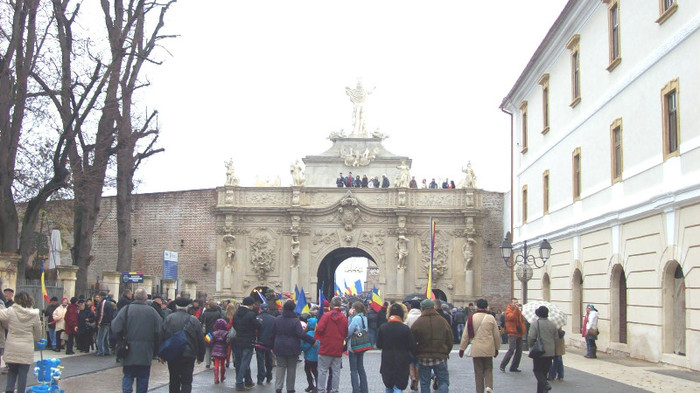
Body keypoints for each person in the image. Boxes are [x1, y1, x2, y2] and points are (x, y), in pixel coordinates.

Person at [111, 287, 162, 393]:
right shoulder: (152, 312)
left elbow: (115, 327)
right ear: (146, 298)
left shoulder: (126, 310)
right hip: (146, 351)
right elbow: (159, 330)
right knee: (143, 379)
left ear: (134, 297)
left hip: (128, 350)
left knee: (128, 376)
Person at [161, 297, 206, 393]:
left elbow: (162, 336)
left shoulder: (169, 318)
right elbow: (200, 339)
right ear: (187, 307)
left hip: (173, 354)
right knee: (187, 381)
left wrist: (161, 354)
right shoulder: (194, 320)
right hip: (189, 354)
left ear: (176, 306)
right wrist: (200, 356)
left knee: (173, 380)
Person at [272, 300, 317, 393]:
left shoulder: (277, 319)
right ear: (293, 309)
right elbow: (301, 334)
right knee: (291, 368)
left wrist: (272, 345)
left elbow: (272, 333)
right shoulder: (296, 320)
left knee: (280, 367)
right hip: (292, 347)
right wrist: (312, 340)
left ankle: (278, 387)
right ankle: (290, 388)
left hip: (279, 346)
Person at [0, 291, 41, 393]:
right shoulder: (34, 315)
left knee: (12, 372)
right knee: (23, 375)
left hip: (12, 346)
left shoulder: (11, 311)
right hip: (26, 348)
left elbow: (2, 315)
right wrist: (37, 339)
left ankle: (9, 391)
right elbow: (38, 333)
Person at [410, 298, 453, 393]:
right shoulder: (442, 321)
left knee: (425, 383)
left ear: (422, 309)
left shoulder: (418, 322)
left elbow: (411, 342)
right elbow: (450, 339)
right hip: (440, 356)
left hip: (423, 357)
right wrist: (446, 352)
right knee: (443, 382)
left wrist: (416, 353)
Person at [459, 298, 500, 393]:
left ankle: (479, 391)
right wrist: (497, 348)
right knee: (488, 368)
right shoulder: (491, 318)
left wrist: (462, 349)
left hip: (476, 347)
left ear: (477, 306)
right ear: (486, 307)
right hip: (489, 348)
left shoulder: (471, 318)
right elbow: (496, 335)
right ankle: (489, 386)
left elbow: (465, 335)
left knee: (478, 372)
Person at [377, 303, 415, 393]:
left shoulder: (383, 327)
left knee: (388, 386)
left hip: (387, 360)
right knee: (398, 387)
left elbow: (378, 345)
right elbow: (411, 346)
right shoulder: (405, 329)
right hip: (402, 360)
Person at [315, 296, 348, 393]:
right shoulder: (343, 318)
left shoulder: (326, 316)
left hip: (325, 347)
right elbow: (345, 333)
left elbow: (319, 329)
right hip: (337, 348)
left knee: (322, 371)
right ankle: (335, 390)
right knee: (336, 372)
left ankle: (321, 390)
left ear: (331, 304)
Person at [232, 296, 261, 391]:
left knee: (240, 362)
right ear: (250, 305)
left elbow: (234, 325)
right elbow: (257, 326)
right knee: (245, 362)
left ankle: (248, 380)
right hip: (248, 340)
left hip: (238, 339)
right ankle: (239, 382)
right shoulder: (250, 314)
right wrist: (259, 322)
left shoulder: (236, 314)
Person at [528, 306, 558, 393]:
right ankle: (542, 391)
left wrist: (531, 345)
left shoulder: (535, 324)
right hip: (550, 352)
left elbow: (531, 338)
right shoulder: (553, 324)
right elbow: (556, 338)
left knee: (537, 370)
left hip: (539, 352)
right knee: (544, 373)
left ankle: (545, 384)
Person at [347, 302, 369, 393]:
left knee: (353, 369)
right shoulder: (364, 317)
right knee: (361, 368)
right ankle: (364, 389)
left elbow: (349, 331)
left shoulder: (355, 318)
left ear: (355, 309)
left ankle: (355, 390)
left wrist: (349, 317)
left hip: (354, 345)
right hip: (362, 344)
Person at [500, 297, 526, 373]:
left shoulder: (518, 310)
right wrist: (515, 310)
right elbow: (511, 317)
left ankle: (514, 367)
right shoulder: (508, 310)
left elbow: (521, 321)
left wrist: (523, 329)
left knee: (519, 351)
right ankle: (503, 365)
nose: (516, 304)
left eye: (517, 302)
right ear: (511, 303)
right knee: (511, 349)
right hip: (512, 332)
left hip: (519, 332)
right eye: (514, 303)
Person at [255, 303, 275, 385]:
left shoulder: (257, 318)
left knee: (260, 361)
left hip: (259, 342)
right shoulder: (273, 319)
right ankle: (269, 375)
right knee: (269, 359)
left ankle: (260, 378)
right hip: (270, 342)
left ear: (260, 309)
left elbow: (255, 330)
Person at [404, 299, 422, 391]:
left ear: (411, 307)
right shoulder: (422, 316)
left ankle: (413, 378)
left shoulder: (407, 316)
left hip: (409, 343)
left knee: (411, 363)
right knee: (418, 363)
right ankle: (417, 381)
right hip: (420, 343)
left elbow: (404, 329)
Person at [200, 300, 223, 369]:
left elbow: (203, 323)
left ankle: (207, 363)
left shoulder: (205, 314)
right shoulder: (218, 313)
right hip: (216, 333)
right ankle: (214, 358)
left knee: (207, 347)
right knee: (215, 346)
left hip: (208, 333)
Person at [301, 317, 320, 393]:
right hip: (316, 357)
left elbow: (305, 346)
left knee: (308, 370)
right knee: (315, 371)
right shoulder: (318, 333)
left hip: (309, 357)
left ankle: (311, 385)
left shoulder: (308, 334)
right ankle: (318, 385)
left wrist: (302, 347)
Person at [95, 291, 115, 356]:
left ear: (101, 297)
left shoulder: (103, 304)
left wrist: (99, 323)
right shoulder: (109, 303)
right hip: (108, 322)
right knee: (106, 338)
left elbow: (101, 314)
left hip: (103, 323)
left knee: (100, 338)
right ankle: (107, 350)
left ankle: (101, 351)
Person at [210, 318, 229, 384]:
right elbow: (227, 342)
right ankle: (222, 377)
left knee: (216, 364)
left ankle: (216, 378)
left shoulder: (214, 333)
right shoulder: (226, 333)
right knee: (222, 364)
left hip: (216, 349)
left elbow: (211, 342)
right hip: (223, 349)